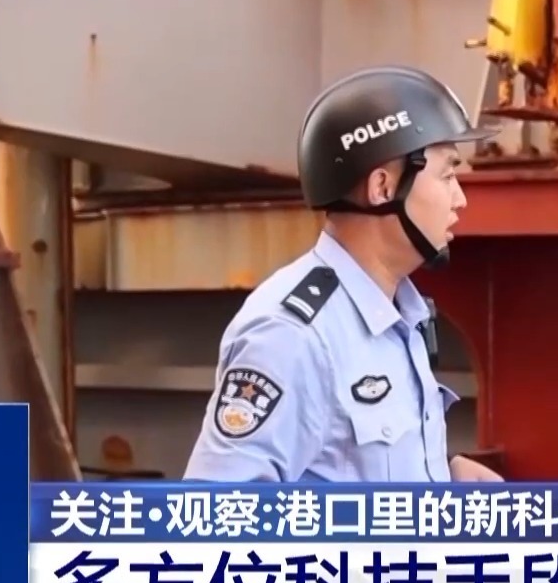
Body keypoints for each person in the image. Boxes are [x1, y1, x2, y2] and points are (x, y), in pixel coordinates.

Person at [185, 65, 507, 483]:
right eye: (447, 175)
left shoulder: (399, 315)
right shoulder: (293, 335)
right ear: (382, 187)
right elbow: (220, 511)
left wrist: (440, 477)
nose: (459, 198)